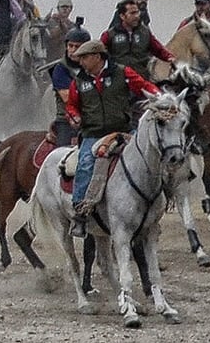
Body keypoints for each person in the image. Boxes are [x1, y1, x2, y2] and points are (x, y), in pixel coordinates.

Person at [63, 39, 159, 237]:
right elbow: (71, 105)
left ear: (97, 57)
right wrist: (73, 116)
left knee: (151, 155)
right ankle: (80, 212)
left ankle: (159, 202)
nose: (80, 62)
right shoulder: (78, 82)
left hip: (123, 130)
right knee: (85, 164)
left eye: (84, 58)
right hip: (93, 133)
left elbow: (144, 86)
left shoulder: (123, 73)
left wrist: (160, 97)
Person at [101, 0, 175, 82]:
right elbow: (101, 54)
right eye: (132, 13)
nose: (136, 16)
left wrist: (170, 58)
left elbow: (158, 49)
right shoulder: (110, 34)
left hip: (141, 78)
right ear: (122, 16)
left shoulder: (145, 32)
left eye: (137, 12)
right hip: (119, 80)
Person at [49, 25, 88, 146]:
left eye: (77, 46)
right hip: (67, 120)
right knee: (62, 153)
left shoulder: (92, 66)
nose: (73, 50)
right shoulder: (60, 69)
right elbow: (67, 98)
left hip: (93, 119)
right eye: (70, 46)